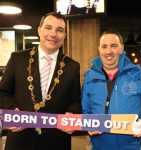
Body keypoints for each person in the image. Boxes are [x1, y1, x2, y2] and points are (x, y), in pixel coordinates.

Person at [0, 12, 81, 150]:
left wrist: (71, 114)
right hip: (20, 140)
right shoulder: (17, 59)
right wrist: (13, 110)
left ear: (64, 36)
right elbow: (2, 92)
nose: (53, 34)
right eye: (48, 28)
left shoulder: (72, 66)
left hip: (56, 141)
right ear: (39, 30)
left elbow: (75, 101)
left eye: (59, 30)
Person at [81, 29, 141, 150]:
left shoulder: (140, 75)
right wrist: (88, 125)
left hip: (132, 146)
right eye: (104, 46)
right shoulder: (89, 78)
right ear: (99, 49)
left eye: (113, 46)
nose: (108, 51)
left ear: (122, 48)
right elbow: (85, 111)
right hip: (98, 146)